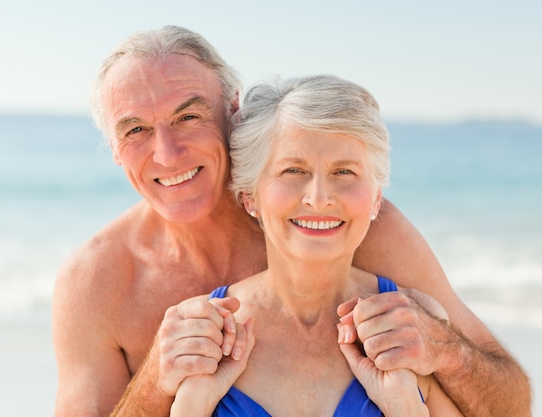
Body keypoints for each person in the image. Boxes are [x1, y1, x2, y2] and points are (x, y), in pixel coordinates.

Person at [51, 25, 530, 417]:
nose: (167, 152)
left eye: (188, 116)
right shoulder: (98, 280)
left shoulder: (354, 228)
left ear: (232, 111)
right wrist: (157, 379)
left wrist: (446, 350)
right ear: (114, 150)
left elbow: (512, 406)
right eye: (135, 130)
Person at [169, 73, 464, 417]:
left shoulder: (415, 325)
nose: (319, 198)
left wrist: (404, 405)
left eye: (344, 172)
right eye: (293, 170)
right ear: (250, 197)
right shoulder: (199, 334)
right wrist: (191, 406)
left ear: (375, 200)